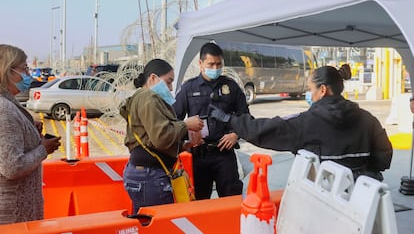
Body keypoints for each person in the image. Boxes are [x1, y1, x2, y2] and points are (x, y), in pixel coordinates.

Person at [210, 64, 393, 181]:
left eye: (310, 89)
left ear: (322, 90)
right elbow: (384, 156)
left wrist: (230, 120)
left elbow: (267, 129)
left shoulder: (307, 123)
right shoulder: (368, 120)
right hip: (362, 199)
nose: (308, 94)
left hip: (324, 199)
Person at [120, 58, 203, 213]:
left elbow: (152, 141)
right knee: (161, 224)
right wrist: (186, 124)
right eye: (169, 81)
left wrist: (185, 145)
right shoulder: (148, 98)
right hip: (150, 176)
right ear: (153, 78)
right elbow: (162, 137)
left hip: (142, 173)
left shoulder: (140, 98)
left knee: (147, 223)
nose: (171, 88)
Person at [173, 42, 250, 199]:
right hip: (199, 156)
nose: (215, 68)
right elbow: (174, 121)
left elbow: (246, 117)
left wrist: (235, 134)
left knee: (231, 200)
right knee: (200, 203)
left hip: (225, 153)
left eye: (218, 64)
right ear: (200, 64)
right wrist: (185, 143)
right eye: (211, 64)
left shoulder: (231, 86)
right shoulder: (189, 88)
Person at [0, 44, 61, 225]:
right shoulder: (4, 110)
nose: (28, 74)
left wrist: (29, 130)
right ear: (7, 71)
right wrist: (43, 149)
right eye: (24, 69)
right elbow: (11, 166)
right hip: (13, 215)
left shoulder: (8, 103)